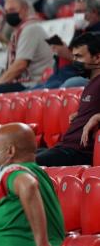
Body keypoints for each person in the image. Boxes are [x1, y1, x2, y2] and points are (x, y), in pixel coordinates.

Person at [37, 33, 100, 166]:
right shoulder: (91, 83)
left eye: (79, 57)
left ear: (97, 57)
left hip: (79, 153)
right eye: (73, 56)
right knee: (22, 154)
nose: (74, 61)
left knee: (25, 162)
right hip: (65, 147)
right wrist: (80, 115)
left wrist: (98, 117)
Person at [0, 0, 54, 94]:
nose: (9, 14)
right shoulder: (22, 29)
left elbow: (20, 65)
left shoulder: (30, 29)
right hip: (25, 82)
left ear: (25, 10)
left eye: (12, 10)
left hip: (31, 83)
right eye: (6, 11)